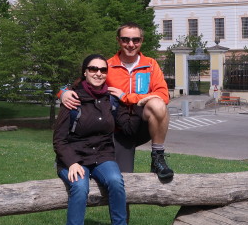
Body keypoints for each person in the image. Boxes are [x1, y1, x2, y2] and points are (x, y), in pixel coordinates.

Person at [60, 22, 173, 180]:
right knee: (121, 181)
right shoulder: (108, 66)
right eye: (126, 39)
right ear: (118, 40)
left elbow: (163, 95)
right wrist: (63, 93)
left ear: (142, 41)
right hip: (117, 128)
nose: (131, 44)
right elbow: (81, 83)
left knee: (157, 104)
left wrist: (126, 97)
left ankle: (157, 156)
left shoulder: (150, 65)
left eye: (136, 40)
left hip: (142, 123)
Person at [53, 54, 130, 225]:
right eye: (93, 69)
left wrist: (138, 103)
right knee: (79, 186)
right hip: (74, 157)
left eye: (103, 70)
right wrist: (71, 162)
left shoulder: (111, 99)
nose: (98, 73)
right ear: (85, 72)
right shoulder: (72, 99)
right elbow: (59, 139)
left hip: (102, 156)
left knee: (116, 181)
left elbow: (129, 124)